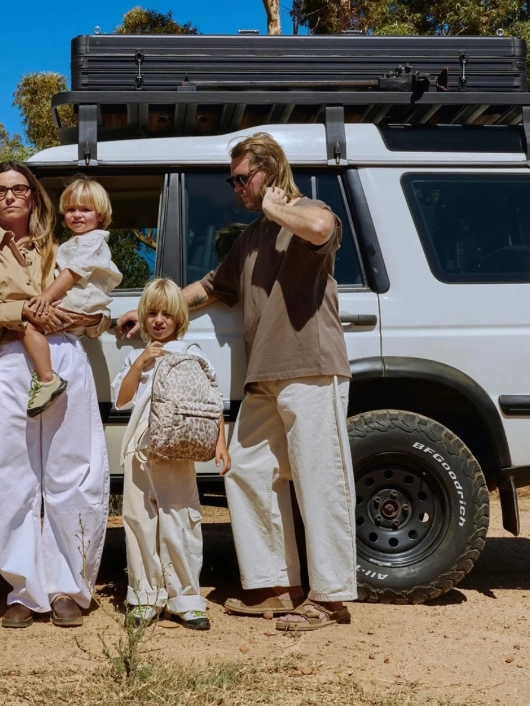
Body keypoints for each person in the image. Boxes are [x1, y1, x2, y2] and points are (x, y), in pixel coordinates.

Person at [118, 133, 356, 632]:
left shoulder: (307, 212)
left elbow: (318, 227)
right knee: (245, 470)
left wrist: (275, 207)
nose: (235, 189)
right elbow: (207, 288)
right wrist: (152, 313)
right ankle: (276, 586)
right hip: (264, 374)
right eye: (233, 180)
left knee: (320, 479)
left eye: (242, 178)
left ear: (269, 172)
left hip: (311, 367)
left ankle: (330, 596)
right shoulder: (249, 240)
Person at [0, 160, 112, 629]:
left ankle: (67, 586)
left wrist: (88, 321)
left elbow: (93, 297)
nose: (10, 196)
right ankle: (23, 588)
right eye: (1, 190)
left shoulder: (58, 246)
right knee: (10, 473)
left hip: (67, 355)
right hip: (10, 359)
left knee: (73, 471)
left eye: (19, 188)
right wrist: (27, 311)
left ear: (33, 195)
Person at [110, 278, 231, 631]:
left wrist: (219, 443)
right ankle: (145, 598)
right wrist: (140, 363)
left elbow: (211, 403)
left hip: (178, 452)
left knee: (181, 521)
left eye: (167, 313)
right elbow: (121, 400)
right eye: (152, 314)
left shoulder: (192, 352)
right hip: (140, 450)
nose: (159, 320)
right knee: (139, 523)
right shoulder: (136, 355)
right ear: (143, 318)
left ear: (179, 317)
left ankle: (186, 599)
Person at [22, 178, 123, 416]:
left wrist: (46, 296)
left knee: (26, 324)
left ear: (100, 215)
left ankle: (47, 380)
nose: (77, 215)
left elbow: (73, 272)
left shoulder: (94, 240)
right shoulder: (76, 241)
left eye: (85, 210)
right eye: (70, 210)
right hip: (79, 303)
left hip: (81, 301)